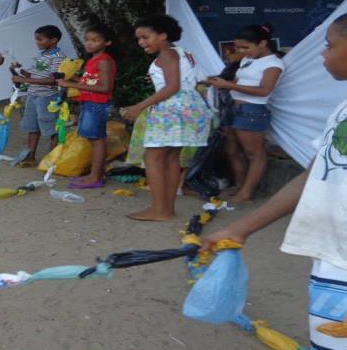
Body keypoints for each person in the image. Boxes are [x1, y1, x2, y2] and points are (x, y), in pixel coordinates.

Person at [202, 14, 347, 350]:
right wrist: (240, 229)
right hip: (333, 262)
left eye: (330, 46)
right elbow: (313, 176)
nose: (323, 55)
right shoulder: (343, 109)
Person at [121, 15, 212, 221]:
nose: (141, 42)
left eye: (145, 37)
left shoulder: (167, 55)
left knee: (152, 158)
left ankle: (160, 210)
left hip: (172, 111)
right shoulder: (183, 53)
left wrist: (139, 106)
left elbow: (172, 87)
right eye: (139, 39)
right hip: (189, 109)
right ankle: (166, 209)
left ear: (162, 35)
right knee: (171, 158)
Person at [208, 24, 285, 204]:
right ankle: (239, 186)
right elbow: (237, 81)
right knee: (232, 151)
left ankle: (247, 193)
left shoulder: (274, 63)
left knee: (254, 154)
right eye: (239, 48)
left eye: (246, 47)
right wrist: (219, 81)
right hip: (233, 108)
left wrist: (229, 86)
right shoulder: (247, 60)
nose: (242, 51)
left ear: (263, 43)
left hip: (252, 110)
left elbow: (264, 90)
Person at [58, 24, 117, 189]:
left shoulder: (104, 61)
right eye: (87, 40)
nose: (89, 43)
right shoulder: (93, 60)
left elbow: (106, 87)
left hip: (97, 105)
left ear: (107, 43)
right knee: (94, 140)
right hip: (89, 103)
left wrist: (70, 84)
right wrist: (72, 79)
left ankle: (95, 177)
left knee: (97, 140)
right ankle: (96, 174)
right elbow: (90, 82)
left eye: (95, 40)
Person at [11, 25, 65, 166]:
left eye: (40, 39)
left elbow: (53, 80)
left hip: (48, 97)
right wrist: (19, 70)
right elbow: (33, 75)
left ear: (53, 40)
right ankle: (31, 156)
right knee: (32, 127)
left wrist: (24, 80)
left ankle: (52, 160)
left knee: (51, 128)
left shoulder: (58, 57)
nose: (37, 42)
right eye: (36, 39)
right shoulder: (41, 55)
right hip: (33, 95)